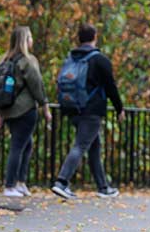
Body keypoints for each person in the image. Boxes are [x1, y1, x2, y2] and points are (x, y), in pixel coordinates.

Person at [52, 24, 123, 199]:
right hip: (91, 110)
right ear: (95, 37)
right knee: (81, 145)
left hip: (72, 108)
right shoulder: (99, 60)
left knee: (94, 146)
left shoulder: (71, 58)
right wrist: (119, 108)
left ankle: (103, 186)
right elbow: (110, 87)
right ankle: (61, 181)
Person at [0, 26, 52, 197]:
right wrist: (45, 107)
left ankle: (20, 182)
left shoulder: (6, 60)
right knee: (18, 146)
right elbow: (37, 86)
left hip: (8, 110)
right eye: (30, 37)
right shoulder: (28, 61)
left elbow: (1, 90)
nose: (32, 40)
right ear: (25, 41)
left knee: (26, 144)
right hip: (24, 110)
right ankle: (10, 184)